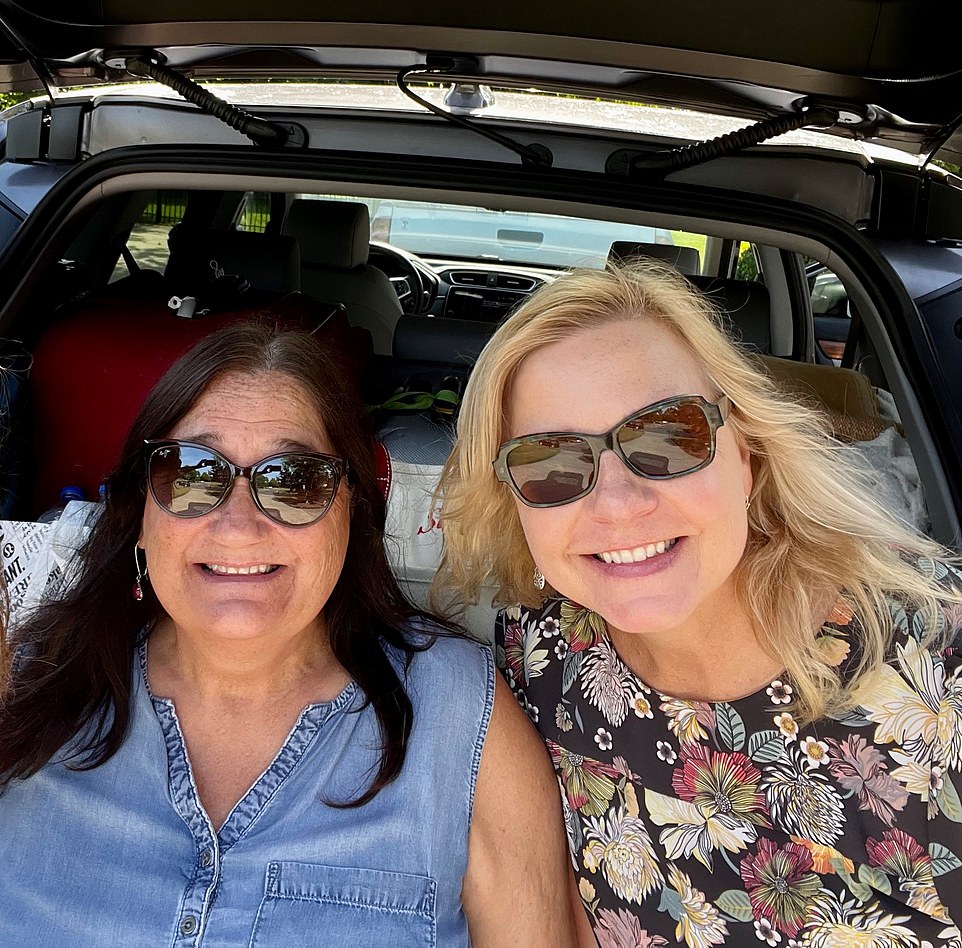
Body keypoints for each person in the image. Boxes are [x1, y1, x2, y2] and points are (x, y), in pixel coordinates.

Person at [0, 321, 579, 946]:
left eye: (295, 481)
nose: (240, 525)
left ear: (353, 515)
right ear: (141, 512)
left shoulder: (462, 716)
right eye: (193, 473)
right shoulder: (25, 682)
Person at [437, 263, 962, 946]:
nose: (619, 504)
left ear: (746, 448)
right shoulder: (542, 659)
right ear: (514, 500)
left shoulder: (938, 681)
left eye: (668, 436)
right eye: (551, 464)